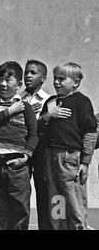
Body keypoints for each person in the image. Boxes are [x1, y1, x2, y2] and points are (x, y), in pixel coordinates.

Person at [38, 62, 97, 230]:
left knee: (73, 203)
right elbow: (38, 129)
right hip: (50, 158)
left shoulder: (82, 102)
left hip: (70, 158)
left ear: (76, 82)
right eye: (55, 78)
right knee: (56, 203)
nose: (56, 82)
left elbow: (90, 133)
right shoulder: (50, 102)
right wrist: (49, 115)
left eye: (62, 79)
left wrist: (85, 163)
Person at [0, 61, 38, 230]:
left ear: (19, 84)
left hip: (17, 164)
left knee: (19, 208)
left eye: (8, 80)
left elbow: (33, 135)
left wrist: (25, 157)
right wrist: (10, 111)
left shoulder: (25, 107)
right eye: (0, 79)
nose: (3, 84)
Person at [20, 60, 51, 230]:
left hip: (40, 152)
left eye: (33, 73)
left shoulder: (49, 101)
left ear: (43, 78)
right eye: (26, 72)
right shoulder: (16, 98)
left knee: (44, 193)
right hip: (21, 150)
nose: (28, 76)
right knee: (20, 195)